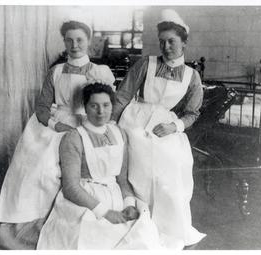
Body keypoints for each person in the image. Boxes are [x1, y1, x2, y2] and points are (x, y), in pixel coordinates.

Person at [0, 10, 115, 249]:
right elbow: (41, 107)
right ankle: (28, 224)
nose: (74, 45)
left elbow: (105, 106)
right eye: (69, 40)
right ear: (64, 42)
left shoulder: (100, 71)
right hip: (57, 125)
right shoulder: (56, 71)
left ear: (88, 41)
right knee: (38, 167)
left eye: (79, 40)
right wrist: (56, 125)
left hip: (88, 124)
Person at [111, 9, 206, 249]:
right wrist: (110, 125)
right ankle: (137, 213)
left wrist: (174, 126)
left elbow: (192, 113)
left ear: (184, 43)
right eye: (162, 42)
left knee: (170, 164)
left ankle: (166, 225)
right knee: (137, 151)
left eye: (171, 41)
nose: (165, 47)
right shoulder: (146, 63)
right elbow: (123, 95)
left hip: (165, 125)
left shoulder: (192, 77)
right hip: (136, 118)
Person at [37, 83, 161, 249]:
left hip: (115, 196)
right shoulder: (74, 137)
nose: (101, 111)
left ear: (112, 106)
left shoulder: (120, 133)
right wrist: (105, 213)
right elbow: (70, 187)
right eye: (94, 106)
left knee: (141, 233)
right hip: (85, 200)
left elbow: (122, 179)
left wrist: (129, 205)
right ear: (85, 108)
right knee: (94, 238)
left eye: (106, 105)